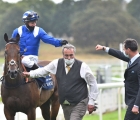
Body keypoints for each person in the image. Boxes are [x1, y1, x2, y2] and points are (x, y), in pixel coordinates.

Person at [23, 44, 98, 120]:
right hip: (65, 103)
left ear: (74, 54)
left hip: (80, 102)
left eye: (71, 55)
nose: (69, 58)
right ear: (63, 55)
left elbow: (93, 83)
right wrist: (30, 74)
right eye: (66, 55)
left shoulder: (83, 66)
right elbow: (43, 71)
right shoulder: (56, 63)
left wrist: (91, 101)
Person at [95, 38, 140, 120]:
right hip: (132, 101)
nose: (123, 51)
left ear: (128, 50)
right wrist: (104, 48)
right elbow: (119, 54)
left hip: (135, 101)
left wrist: (136, 105)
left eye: (124, 49)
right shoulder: (132, 59)